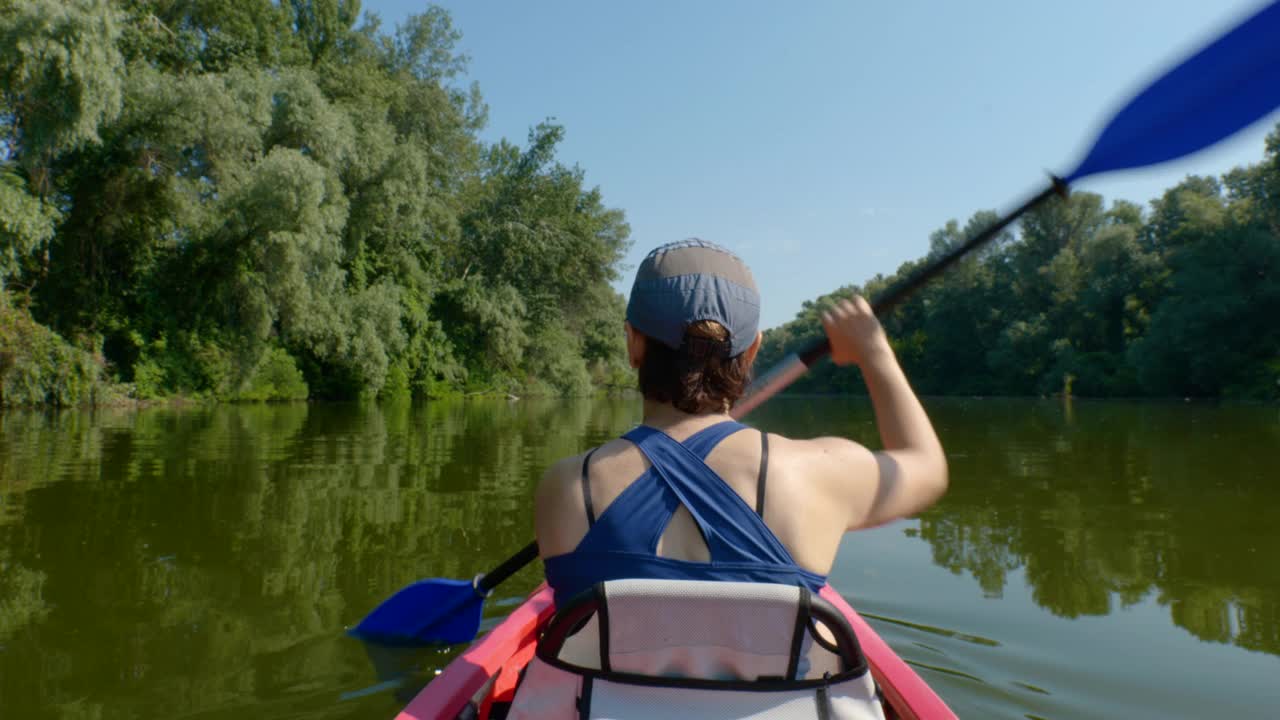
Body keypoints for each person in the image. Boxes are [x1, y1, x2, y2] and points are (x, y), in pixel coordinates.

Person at [534, 238, 947, 608]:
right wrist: (874, 353)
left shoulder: (568, 486)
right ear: (752, 352)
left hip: (607, 696)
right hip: (776, 696)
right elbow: (926, 465)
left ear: (632, 343)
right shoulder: (817, 474)